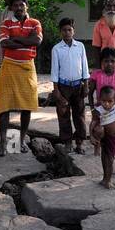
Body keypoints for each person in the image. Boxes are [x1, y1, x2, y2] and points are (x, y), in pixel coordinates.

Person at [0, 0, 42, 156]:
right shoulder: (6, 23)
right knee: (4, 106)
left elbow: (37, 41)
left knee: (27, 106)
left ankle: (20, 141)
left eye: (22, 5)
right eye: (16, 5)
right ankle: (3, 143)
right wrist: (25, 39)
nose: (19, 8)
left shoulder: (35, 23)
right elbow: (4, 43)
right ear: (11, 8)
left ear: (26, 6)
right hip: (8, 67)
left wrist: (15, 40)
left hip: (27, 68)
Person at [50, 17, 90, 154]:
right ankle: (67, 142)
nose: (67, 33)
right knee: (63, 114)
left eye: (69, 30)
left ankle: (80, 142)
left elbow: (84, 66)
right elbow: (55, 70)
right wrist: (56, 90)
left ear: (73, 31)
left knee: (79, 115)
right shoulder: (57, 49)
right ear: (60, 32)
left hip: (78, 85)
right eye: (64, 30)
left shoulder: (80, 46)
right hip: (63, 86)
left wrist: (86, 85)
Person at [90, 85, 115, 189]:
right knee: (109, 159)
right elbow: (92, 123)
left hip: (114, 138)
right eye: (104, 101)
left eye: (110, 101)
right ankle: (107, 181)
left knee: (110, 159)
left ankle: (107, 180)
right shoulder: (98, 110)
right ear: (100, 100)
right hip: (104, 135)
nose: (107, 104)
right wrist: (91, 136)